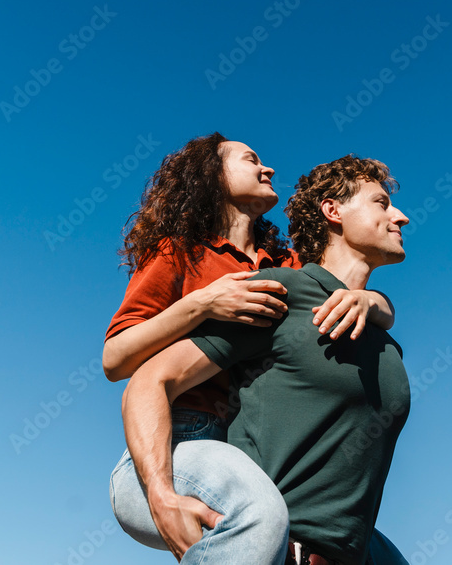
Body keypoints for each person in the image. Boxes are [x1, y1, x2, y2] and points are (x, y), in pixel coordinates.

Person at [104, 133, 398, 564]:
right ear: (212, 176)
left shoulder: (283, 264)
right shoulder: (181, 253)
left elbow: (338, 288)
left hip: (240, 447)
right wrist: (200, 304)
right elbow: (115, 360)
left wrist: (373, 300)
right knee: (260, 514)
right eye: (250, 159)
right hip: (174, 442)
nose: (268, 168)